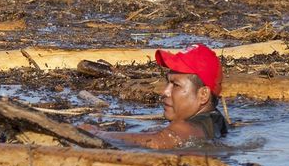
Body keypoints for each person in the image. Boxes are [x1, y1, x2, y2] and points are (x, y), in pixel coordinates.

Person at [87, 44, 228, 149]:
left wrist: (97, 133)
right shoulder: (214, 120)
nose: (165, 92)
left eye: (176, 85)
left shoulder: (190, 127)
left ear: (203, 95)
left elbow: (160, 140)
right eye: (167, 82)